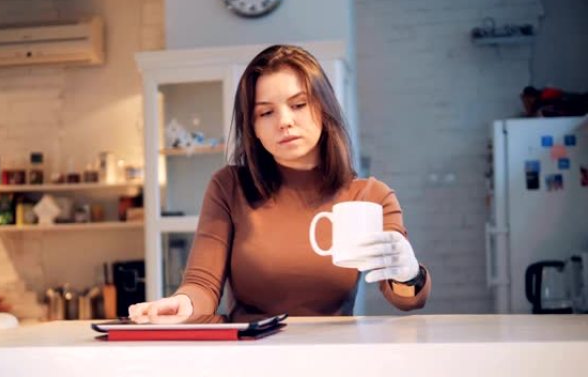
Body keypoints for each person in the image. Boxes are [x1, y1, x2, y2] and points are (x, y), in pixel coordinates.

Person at [129, 44, 431, 319]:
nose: (284, 121)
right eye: (266, 112)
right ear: (254, 129)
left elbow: (405, 298)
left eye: (298, 105)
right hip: (250, 356)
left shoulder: (370, 196)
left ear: (324, 110)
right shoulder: (229, 186)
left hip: (331, 357)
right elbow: (202, 284)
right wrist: (184, 303)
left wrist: (409, 273)